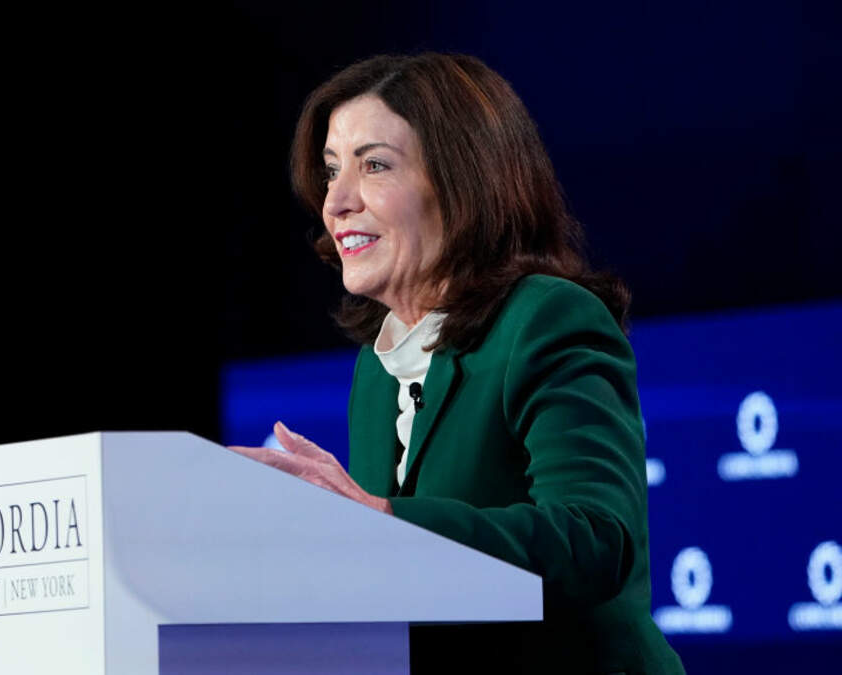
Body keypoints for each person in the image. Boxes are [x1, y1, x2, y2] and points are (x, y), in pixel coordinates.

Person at [228, 53, 685, 674]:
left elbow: (594, 540)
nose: (335, 201)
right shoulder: (376, 367)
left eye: (374, 165)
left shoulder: (547, 318)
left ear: (461, 181)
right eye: (332, 171)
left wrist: (384, 521)